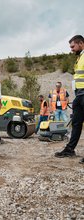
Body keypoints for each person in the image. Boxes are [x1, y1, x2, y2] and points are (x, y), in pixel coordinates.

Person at [55, 35, 84, 164]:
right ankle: (70, 149)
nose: (71, 49)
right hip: (79, 95)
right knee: (76, 123)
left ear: (81, 43)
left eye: (73, 46)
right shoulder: (80, 58)